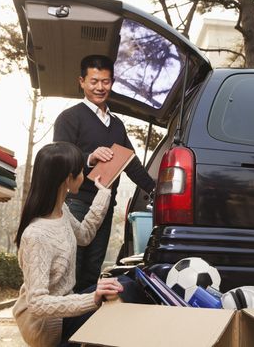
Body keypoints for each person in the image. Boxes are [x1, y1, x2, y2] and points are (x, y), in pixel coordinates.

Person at [12, 142, 147, 347]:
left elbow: (84, 235)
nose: (85, 175)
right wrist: (92, 298)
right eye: (81, 171)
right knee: (121, 291)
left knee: (125, 283)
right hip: (46, 327)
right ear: (68, 178)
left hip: (65, 307)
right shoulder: (36, 235)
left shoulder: (61, 211)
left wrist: (103, 193)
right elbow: (37, 304)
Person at [53, 54, 155, 292]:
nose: (100, 87)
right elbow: (59, 158)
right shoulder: (69, 118)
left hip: (105, 206)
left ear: (112, 82)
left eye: (105, 82)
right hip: (76, 203)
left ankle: (86, 324)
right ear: (82, 81)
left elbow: (131, 164)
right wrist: (89, 156)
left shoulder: (117, 125)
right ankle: (66, 326)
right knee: (73, 266)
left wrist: (154, 190)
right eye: (94, 81)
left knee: (92, 269)